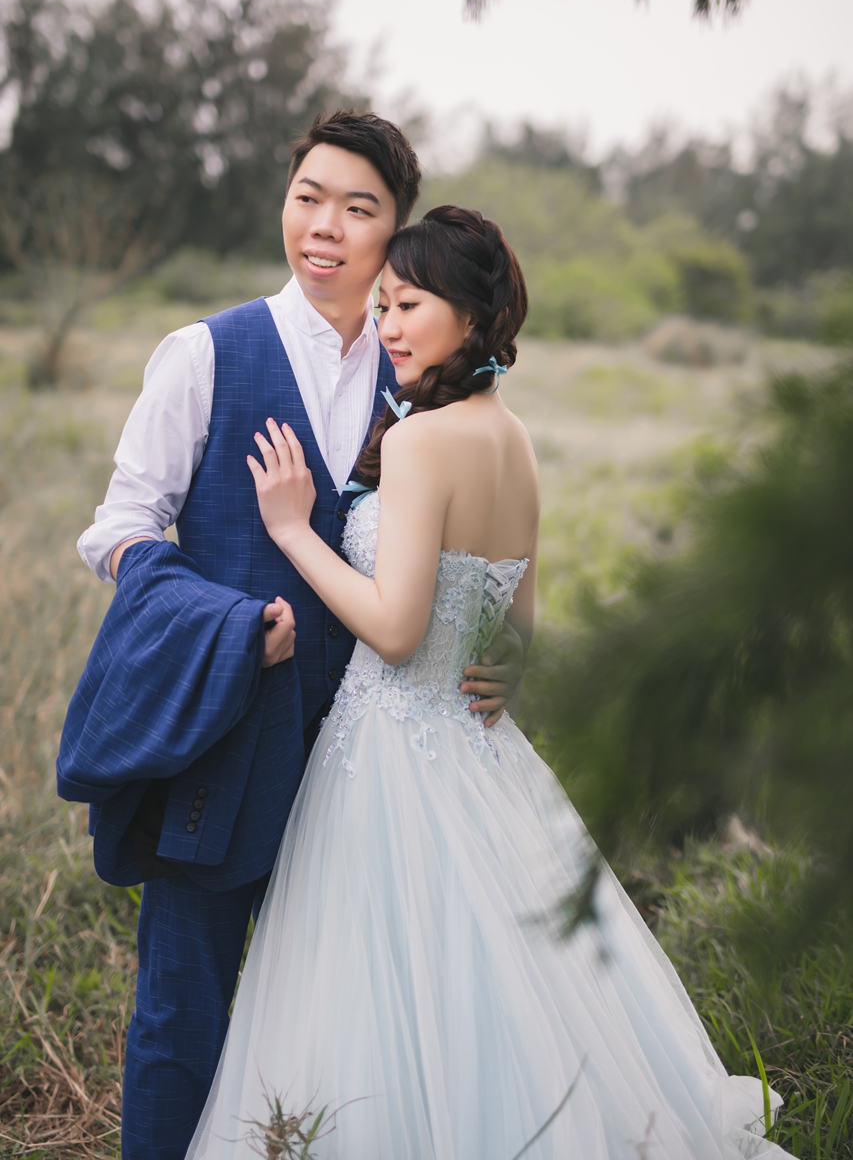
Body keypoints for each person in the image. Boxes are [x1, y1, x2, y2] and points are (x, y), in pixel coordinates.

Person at [186, 205, 791, 1159]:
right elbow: (521, 626)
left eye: (408, 305)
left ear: (470, 315)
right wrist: (489, 675)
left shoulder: (422, 441)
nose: (387, 326)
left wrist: (294, 531)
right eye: (382, 307)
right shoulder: (514, 438)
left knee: (392, 980)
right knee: (496, 980)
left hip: (390, 751)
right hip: (478, 747)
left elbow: (395, 632)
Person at [64, 114, 522, 1160]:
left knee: (360, 1019)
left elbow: (474, 536)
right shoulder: (204, 353)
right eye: (307, 197)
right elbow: (120, 527)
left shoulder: (424, 369)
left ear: (397, 231)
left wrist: (503, 647)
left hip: (372, 766)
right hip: (224, 738)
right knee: (182, 1009)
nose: (323, 226)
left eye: (357, 209)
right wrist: (223, 626)